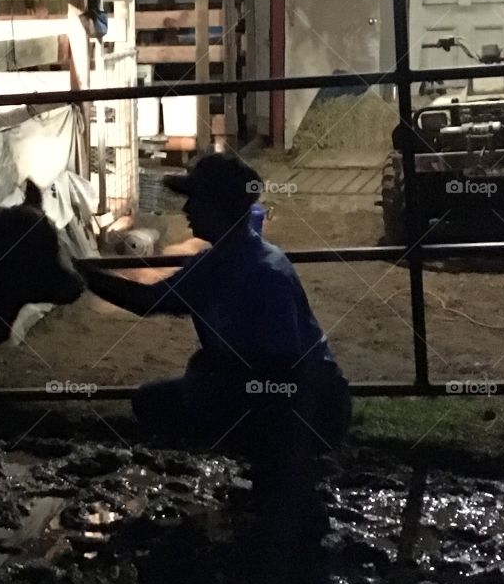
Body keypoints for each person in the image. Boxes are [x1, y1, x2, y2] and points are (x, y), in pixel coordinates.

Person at [80, 152, 351, 498]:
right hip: (300, 396)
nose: (187, 209)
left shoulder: (259, 272)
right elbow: (147, 301)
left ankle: (283, 467)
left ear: (219, 205)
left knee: (189, 399)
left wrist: (213, 372)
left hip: (308, 403)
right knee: (161, 400)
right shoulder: (225, 261)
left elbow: (282, 369)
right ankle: (276, 466)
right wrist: (85, 274)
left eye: (196, 198)